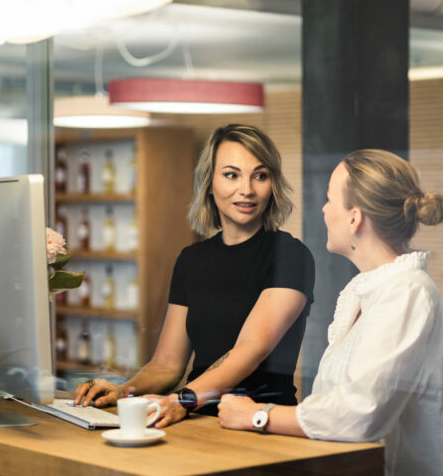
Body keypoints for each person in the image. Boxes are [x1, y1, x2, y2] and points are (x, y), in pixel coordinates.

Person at [218, 149, 443, 476]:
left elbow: (360, 413)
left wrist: (258, 416)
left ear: (355, 217)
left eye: (330, 199)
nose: (324, 209)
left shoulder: (408, 294)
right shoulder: (368, 288)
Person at [75, 124, 315, 427]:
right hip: (197, 420)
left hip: (260, 424)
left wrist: (182, 400)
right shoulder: (192, 259)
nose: (247, 189)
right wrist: (124, 390)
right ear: (210, 183)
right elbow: (167, 364)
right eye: (232, 174)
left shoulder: (291, 256)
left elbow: (249, 350)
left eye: (260, 175)